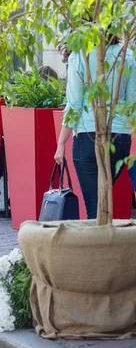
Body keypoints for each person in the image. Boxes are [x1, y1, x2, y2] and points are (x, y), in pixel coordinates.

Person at [54, 35, 136, 219]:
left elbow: (74, 103)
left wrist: (61, 143)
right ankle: (105, 245)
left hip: (87, 137)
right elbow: (132, 101)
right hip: (120, 138)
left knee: (94, 205)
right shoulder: (127, 56)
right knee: (103, 201)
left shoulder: (80, 55)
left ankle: (96, 246)